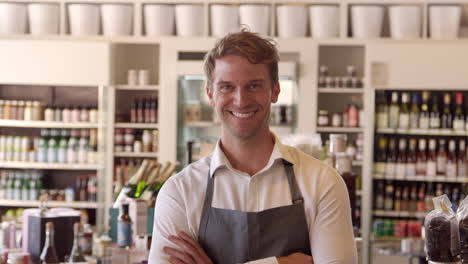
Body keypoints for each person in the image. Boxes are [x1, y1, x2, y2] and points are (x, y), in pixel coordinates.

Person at [148, 30, 357, 264]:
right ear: (210, 94)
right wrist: (281, 263)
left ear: (275, 91)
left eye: (254, 86)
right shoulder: (180, 192)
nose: (241, 100)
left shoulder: (323, 183)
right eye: (227, 87)